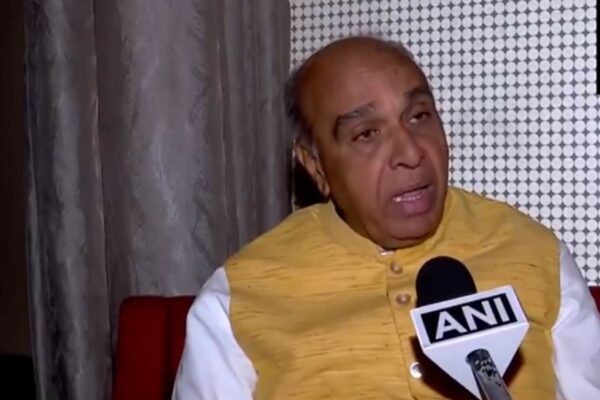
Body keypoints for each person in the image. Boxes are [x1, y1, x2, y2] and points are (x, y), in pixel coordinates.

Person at [172, 36, 600, 399]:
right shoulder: (236, 298)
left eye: (419, 116)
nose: (411, 153)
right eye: (366, 134)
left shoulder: (536, 254)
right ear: (316, 168)